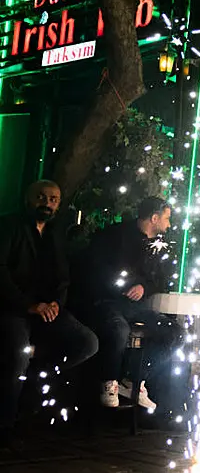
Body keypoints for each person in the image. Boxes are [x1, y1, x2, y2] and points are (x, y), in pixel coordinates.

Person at [0, 180, 98, 439]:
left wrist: (56, 303)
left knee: (87, 342)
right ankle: (6, 422)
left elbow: (62, 277)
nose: (47, 203)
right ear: (28, 199)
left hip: (48, 309)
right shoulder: (8, 226)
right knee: (17, 355)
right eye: (41, 197)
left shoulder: (55, 234)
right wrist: (28, 305)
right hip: (13, 308)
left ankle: (34, 380)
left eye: (53, 199)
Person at [76, 197, 178, 411]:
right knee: (118, 330)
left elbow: (160, 279)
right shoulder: (113, 237)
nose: (169, 224)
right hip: (107, 300)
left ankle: (134, 378)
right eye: (167, 218)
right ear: (154, 218)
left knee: (174, 332)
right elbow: (96, 269)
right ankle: (109, 381)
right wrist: (120, 286)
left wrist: (143, 288)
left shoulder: (159, 247)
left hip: (136, 305)